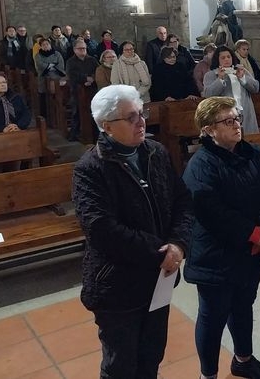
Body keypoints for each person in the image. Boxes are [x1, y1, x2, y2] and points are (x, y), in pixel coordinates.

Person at [72, 84, 192, 378]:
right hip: (118, 285)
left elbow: (182, 200)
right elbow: (102, 230)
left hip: (158, 280)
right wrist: (158, 253)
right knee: (121, 365)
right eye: (131, 117)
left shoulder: (155, 152)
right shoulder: (90, 169)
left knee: (151, 354)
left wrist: (178, 244)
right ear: (106, 126)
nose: (142, 122)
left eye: (142, 113)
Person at [183, 96, 260, 379]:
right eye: (228, 121)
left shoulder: (250, 153)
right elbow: (211, 211)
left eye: (237, 118)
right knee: (213, 317)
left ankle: (243, 359)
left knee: (242, 306)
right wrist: (254, 233)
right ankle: (208, 375)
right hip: (216, 256)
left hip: (251, 252)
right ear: (208, 129)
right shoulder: (201, 166)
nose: (237, 124)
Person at [202, 45, 260, 134]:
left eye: (228, 57)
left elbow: (256, 88)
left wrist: (243, 78)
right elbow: (208, 94)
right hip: (226, 115)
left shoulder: (241, 70)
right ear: (218, 60)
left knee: (249, 141)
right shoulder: (211, 75)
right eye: (223, 58)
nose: (226, 59)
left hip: (246, 112)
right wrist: (220, 79)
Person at [65, 39, 100, 141]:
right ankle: (74, 134)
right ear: (75, 50)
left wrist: (92, 79)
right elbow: (72, 75)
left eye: (84, 48)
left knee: (94, 113)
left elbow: (97, 71)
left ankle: (95, 134)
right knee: (76, 113)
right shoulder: (70, 61)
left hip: (92, 90)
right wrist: (85, 78)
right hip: (77, 90)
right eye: (80, 49)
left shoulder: (92, 60)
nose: (83, 50)